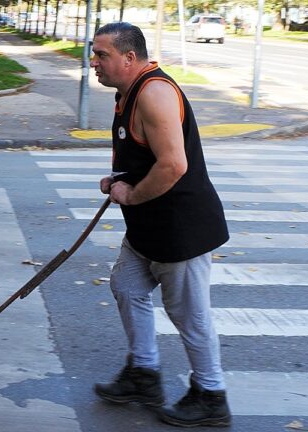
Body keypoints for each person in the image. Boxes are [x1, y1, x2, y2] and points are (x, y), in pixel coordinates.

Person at [89, 22, 232, 428]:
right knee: (127, 287)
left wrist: (131, 195)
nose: (94, 62)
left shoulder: (153, 93)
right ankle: (144, 374)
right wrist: (120, 179)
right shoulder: (128, 92)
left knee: (189, 315)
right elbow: (146, 156)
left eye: (102, 54)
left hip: (179, 229)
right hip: (148, 227)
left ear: (129, 58)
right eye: (94, 52)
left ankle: (211, 395)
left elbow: (173, 164)